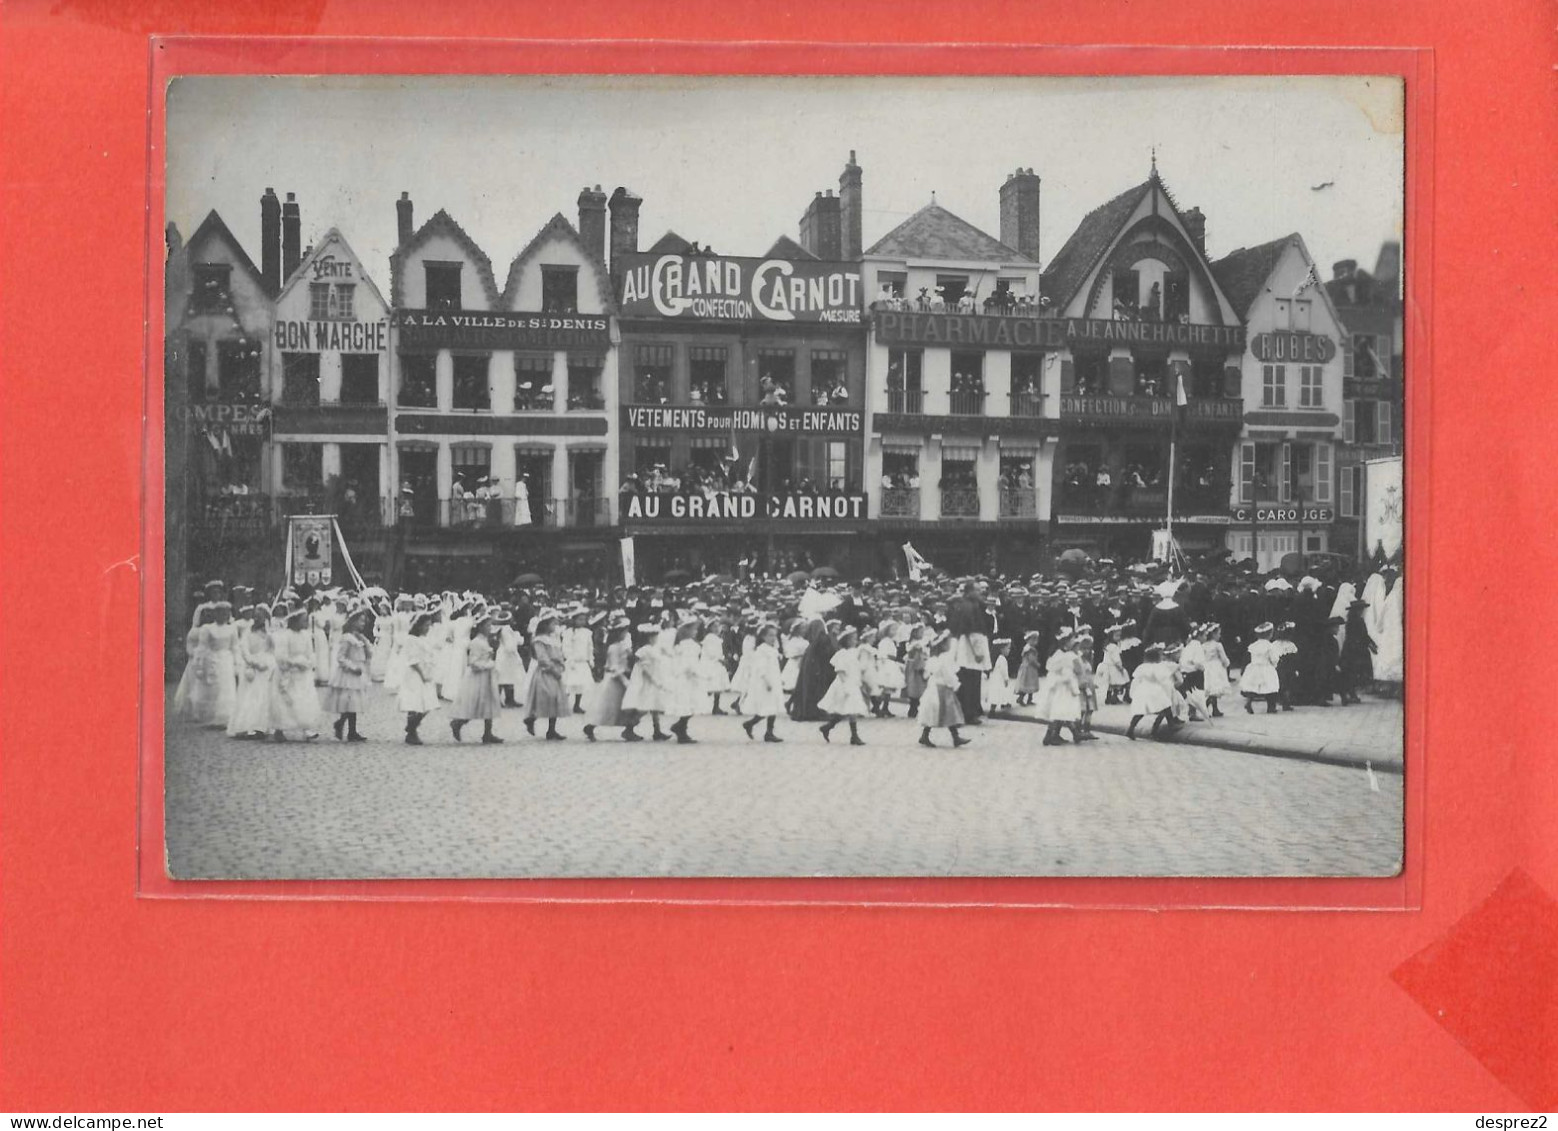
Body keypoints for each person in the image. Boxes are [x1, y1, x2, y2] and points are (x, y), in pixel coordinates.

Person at [583, 616, 640, 742]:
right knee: (607, 707)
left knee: (625, 706)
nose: (626, 634)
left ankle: (629, 730)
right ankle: (591, 726)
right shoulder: (614, 647)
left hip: (620, 677)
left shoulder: (622, 646)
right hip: (614, 680)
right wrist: (624, 679)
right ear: (618, 632)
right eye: (624, 631)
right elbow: (614, 666)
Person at [450, 612, 503, 744]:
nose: (490, 628)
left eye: (491, 625)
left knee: (489, 703)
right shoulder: (475, 642)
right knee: (475, 703)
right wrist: (488, 664)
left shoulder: (485, 641)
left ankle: (487, 733)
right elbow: (473, 662)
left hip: (487, 677)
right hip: (478, 677)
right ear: (481, 627)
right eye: (488, 625)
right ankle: (457, 723)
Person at [270, 607, 321, 741]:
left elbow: (310, 652)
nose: (306, 623)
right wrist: (294, 663)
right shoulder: (285, 636)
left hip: (303, 673)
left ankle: (307, 728)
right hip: (290, 672)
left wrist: (310, 662)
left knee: (304, 699)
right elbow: (281, 656)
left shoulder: (306, 635)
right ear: (295, 621)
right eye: (304, 620)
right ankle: (279, 729)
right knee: (287, 700)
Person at [321, 608, 372, 742]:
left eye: (364, 621)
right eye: (360, 621)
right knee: (350, 702)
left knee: (353, 703)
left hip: (358, 673)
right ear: (353, 621)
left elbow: (368, 654)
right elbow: (340, 657)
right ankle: (347, 727)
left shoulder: (359, 637)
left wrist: (365, 644)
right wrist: (352, 667)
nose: (363, 624)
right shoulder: (347, 638)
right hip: (348, 674)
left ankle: (348, 729)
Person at [227, 606, 277, 739]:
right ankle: (247, 726)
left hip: (267, 666)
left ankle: (262, 726)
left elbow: (273, 650)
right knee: (250, 696)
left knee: (264, 696)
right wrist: (253, 662)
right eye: (256, 616)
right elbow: (244, 649)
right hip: (253, 667)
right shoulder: (248, 632)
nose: (257, 619)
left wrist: (269, 661)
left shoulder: (269, 634)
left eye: (261, 617)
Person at [817, 625, 870, 745]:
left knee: (847, 709)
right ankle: (854, 735)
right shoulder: (842, 653)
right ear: (846, 640)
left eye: (856, 638)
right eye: (852, 639)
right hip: (844, 683)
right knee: (850, 709)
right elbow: (840, 670)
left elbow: (856, 669)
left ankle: (828, 727)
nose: (855, 641)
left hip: (852, 683)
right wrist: (846, 686)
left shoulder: (853, 653)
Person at [916, 631, 970, 748]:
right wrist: (955, 685)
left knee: (943, 713)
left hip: (937, 687)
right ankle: (953, 737)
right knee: (948, 712)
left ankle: (953, 737)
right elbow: (947, 674)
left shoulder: (936, 658)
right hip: (943, 688)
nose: (950, 645)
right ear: (943, 645)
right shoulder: (944, 659)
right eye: (948, 643)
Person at [396, 612, 441, 745]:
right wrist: (422, 674)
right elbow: (413, 660)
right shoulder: (411, 639)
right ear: (419, 625)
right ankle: (411, 732)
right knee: (416, 704)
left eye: (429, 625)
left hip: (426, 673)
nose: (428, 628)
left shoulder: (424, 638)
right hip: (415, 674)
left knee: (427, 704)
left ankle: (411, 727)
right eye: (426, 625)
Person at [522, 612, 569, 740]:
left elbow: (559, 653)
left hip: (556, 671)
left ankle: (551, 729)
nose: (556, 626)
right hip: (546, 672)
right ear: (546, 624)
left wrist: (561, 663)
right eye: (553, 623)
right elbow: (542, 658)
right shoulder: (539, 640)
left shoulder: (553, 639)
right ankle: (531, 718)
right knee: (547, 696)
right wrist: (553, 669)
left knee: (556, 699)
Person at [739, 622, 787, 743]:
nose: (773, 638)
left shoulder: (772, 650)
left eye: (774, 635)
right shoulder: (761, 651)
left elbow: (775, 667)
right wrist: (767, 681)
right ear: (763, 637)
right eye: (770, 635)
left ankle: (768, 732)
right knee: (767, 707)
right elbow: (761, 668)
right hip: (766, 682)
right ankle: (751, 724)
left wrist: (779, 679)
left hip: (774, 680)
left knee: (773, 707)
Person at [1126, 643, 1180, 740]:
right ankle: (1158, 729)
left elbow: (1136, 679)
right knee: (1165, 707)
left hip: (1143, 689)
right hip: (1154, 689)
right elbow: (1163, 679)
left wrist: (1133, 692)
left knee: (1141, 711)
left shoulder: (1142, 667)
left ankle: (1131, 728)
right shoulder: (1158, 667)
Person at [790, 618, 837, 722]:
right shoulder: (823, 639)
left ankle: (807, 711)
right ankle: (816, 712)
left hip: (810, 670)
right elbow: (828, 653)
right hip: (819, 670)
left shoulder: (811, 643)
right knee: (818, 691)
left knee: (808, 690)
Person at [1337, 599, 1377, 704]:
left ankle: (1350, 693)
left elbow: (1364, 635)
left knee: (1351, 672)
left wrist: (1371, 643)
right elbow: (1361, 635)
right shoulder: (1356, 621)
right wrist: (1369, 644)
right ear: (1356, 610)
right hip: (1355, 650)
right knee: (1352, 672)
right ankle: (1350, 693)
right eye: (1361, 609)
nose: (1362, 611)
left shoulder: (1353, 620)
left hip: (1352, 648)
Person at [1239, 622, 1282, 714]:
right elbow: (1274, 658)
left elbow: (1250, 657)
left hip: (1254, 667)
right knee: (1271, 687)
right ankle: (1271, 707)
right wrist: (1275, 664)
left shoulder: (1253, 645)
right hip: (1266, 667)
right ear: (1269, 634)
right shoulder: (1270, 646)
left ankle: (1249, 701)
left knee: (1253, 686)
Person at [561, 610, 597, 714]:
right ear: (574, 620)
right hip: (572, 662)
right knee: (569, 684)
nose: (582, 622)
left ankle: (577, 705)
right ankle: (563, 705)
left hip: (582, 662)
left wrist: (590, 659)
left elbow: (590, 647)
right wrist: (569, 659)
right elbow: (566, 647)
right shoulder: (568, 632)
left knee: (581, 685)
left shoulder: (587, 632)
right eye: (580, 619)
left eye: (584, 619)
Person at [983, 637, 1015, 712]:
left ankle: (999, 706)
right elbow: (1004, 671)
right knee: (1001, 692)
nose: (1009, 650)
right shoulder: (1002, 659)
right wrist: (1006, 679)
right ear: (1001, 649)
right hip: (1000, 680)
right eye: (1008, 648)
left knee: (995, 694)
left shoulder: (994, 659)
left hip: (994, 680)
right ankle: (1001, 705)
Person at [1014, 630, 1044, 707]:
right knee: (1026, 684)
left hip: (1031, 670)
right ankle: (1021, 698)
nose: (1035, 641)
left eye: (1036, 639)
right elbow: (1031, 659)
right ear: (1029, 640)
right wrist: (1037, 664)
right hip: (1028, 669)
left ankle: (1030, 699)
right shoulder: (1029, 649)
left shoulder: (1031, 648)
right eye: (1034, 639)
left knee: (1031, 684)